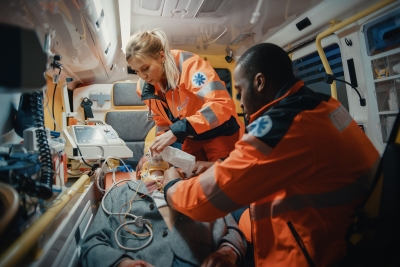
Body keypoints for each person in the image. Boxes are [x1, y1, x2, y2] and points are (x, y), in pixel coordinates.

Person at [162, 43, 381, 266]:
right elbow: (269, 162)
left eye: (239, 91)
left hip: (319, 254)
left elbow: (205, 202)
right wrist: (218, 165)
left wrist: (171, 187)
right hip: (341, 232)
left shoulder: (284, 124)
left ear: (259, 82)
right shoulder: (322, 105)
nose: (239, 102)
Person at [80, 154, 246, 267]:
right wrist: (121, 263)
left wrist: (228, 252)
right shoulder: (119, 194)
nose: (156, 154)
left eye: (163, 155)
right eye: (149, 154)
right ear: (138, 173)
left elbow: (232, 229)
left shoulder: (195, 189)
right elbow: (92, 242)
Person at [125, 28, 244, 161]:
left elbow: (221, 105)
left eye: (145, 68)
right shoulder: (143, 88)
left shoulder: (191, 66)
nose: (143, 76)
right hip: (191, 135)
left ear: (162, 56)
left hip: (221, 132)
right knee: (187, 175)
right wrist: (159, 147)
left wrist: (178, 131)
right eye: (136, 71)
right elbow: (162, 120)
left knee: (218, 178)